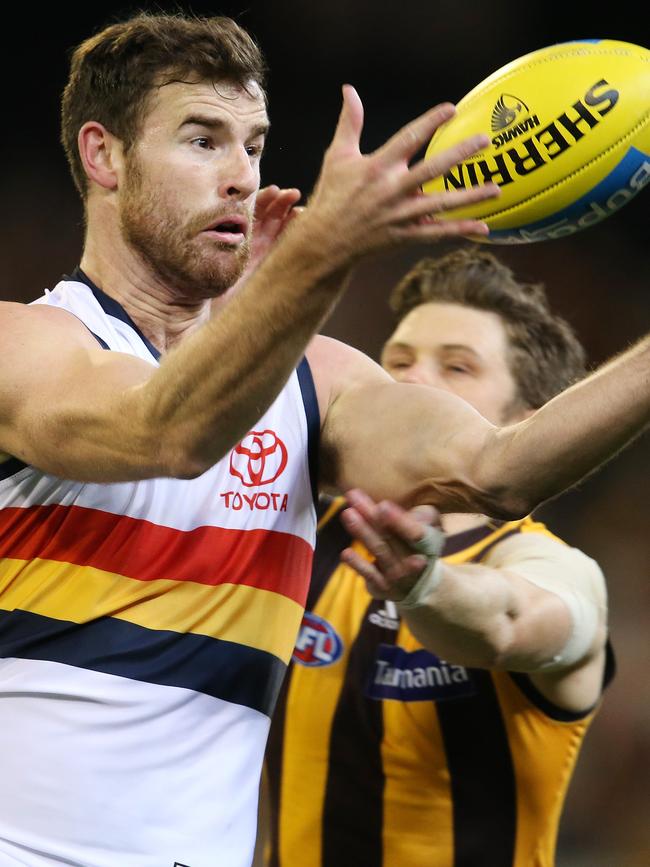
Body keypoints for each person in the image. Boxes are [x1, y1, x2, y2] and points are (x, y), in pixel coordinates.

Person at [0, 11, 647, 867]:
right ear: (103, 156)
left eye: (255, 146)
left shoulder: (318, 383)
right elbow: (167, 428)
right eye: (202, 141)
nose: (239, 175)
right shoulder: (26, 342)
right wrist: (318, 264)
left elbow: (501, 469)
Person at [262, 248, 613, 867]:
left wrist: (424, 587)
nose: (412, 381)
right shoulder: (301, 541)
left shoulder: (545, 564)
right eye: (396, 361)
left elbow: (509, 621)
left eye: (457, 367)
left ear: (531, 429)